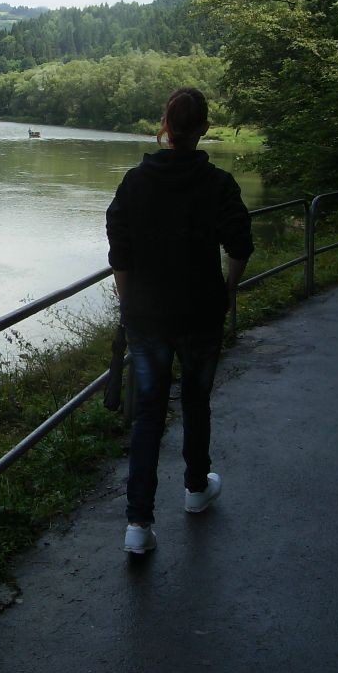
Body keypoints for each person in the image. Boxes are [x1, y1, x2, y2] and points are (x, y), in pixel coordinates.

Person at [105, 87, 253, 555]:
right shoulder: (218, 184)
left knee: (148, 414)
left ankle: (137, 526)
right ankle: (194, 489)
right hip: (201, 313)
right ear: (204, 128)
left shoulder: (134, 183)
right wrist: (227, 292)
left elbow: (120, 253)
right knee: (195, 401)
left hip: (147, 316)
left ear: (164, 127)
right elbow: (240, 244)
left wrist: (127, 307)